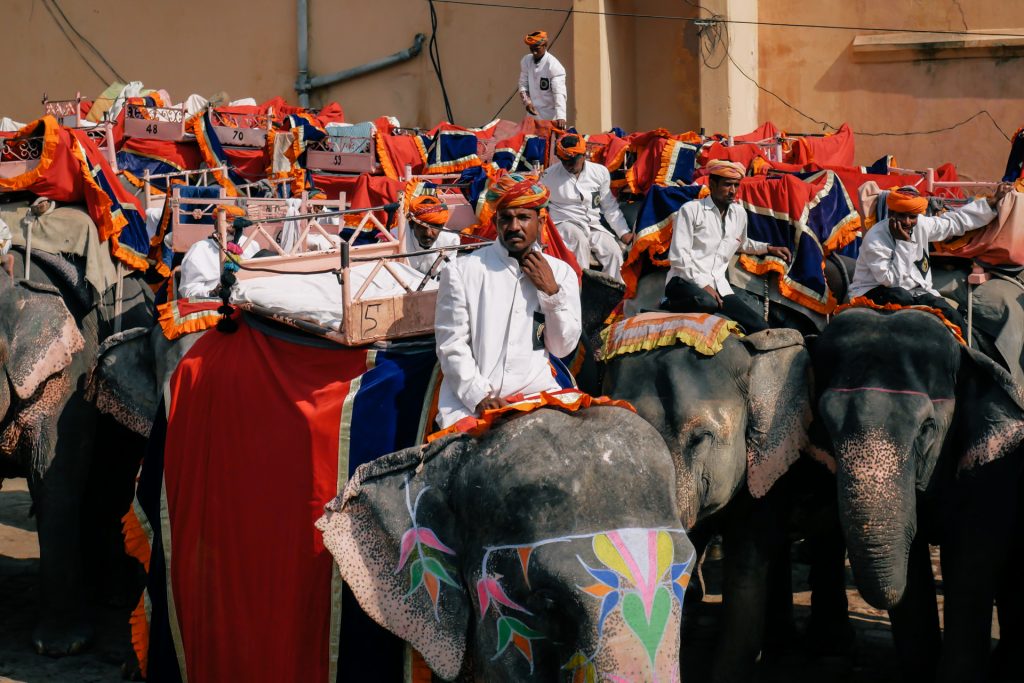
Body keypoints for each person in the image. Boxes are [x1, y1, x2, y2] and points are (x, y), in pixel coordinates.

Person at [434, 176, 581, 428]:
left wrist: (551, 293)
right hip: (473, 402)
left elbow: (561, 348)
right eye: (506, 218)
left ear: (541, 221)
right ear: (496, 222)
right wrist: (479, 397)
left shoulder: (560, 273)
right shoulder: (462, 270)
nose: (514, 226)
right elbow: (451, 343)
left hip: (537, 393)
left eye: (523, 217)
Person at [848, 183, 1011, 329]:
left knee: (952, 315)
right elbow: (891, 281)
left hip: (914, 292)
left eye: (912, 216)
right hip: (874, 290)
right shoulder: (875, 238)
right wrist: (903, 243)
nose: (906, 222)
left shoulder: (922, 224)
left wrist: (992, 201)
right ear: (891, 213)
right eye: (901, 215)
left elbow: (954, 223)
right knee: (901, 296)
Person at [663, 159, 791, 333]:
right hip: (684, 281)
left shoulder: (739, 213)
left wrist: (768, 248)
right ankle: (668, 303)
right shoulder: (691, 210)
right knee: (707, 302)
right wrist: (703, 285)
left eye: (736, 185)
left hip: (720, 286)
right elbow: (679, 257)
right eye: (727, 185)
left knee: (759, 326)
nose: (733, 191)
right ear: (712, 184)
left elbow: (741, 242)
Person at [541, 134, 632, 281]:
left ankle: (614, 296)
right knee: (580, 242)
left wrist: (624, 232)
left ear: (583, 156)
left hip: (593, 225)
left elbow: (609, 207)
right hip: (564, 223)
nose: (568, 165)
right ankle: (579, 291)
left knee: (613, 251)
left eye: (572, 161)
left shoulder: (600, 172)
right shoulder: (548, 176)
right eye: (564, 161)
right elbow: (542, 206)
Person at [179, 230, 260, 299]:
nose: (231, 226)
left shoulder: (252, 245)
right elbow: (187, 289)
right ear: (216, 224)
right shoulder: (199, 249)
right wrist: (213, 292)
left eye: (235, 221)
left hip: (247, 303)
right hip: (213, 307)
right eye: (227, 221)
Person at [518, 30, 567, 129]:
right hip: (532, 118)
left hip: (550, 119)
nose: (534, 51)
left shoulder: (554, 66)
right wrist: (527, 102)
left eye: (537, 48)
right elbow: (522, 84)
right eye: (531, 48)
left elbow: (559, 93)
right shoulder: (526, 61)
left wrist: (561, 116)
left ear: (545, 45)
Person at [403, 194, 461, 279]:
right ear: (411, 225)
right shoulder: (396, 238)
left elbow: (449, 275)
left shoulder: (451, 240)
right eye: (422, 226)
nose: (428, 233)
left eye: (434, 227)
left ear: (441, 227)